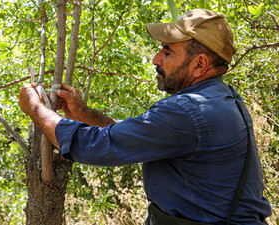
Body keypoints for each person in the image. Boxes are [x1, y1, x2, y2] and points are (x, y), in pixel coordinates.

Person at [18, 9, 272, 224]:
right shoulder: (221, 98)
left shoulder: (189, 111)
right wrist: (84, 114)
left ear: (199, 65)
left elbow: (95, 147)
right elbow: (134, 136)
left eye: (167, 51)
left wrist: (37, 109)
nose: (155, 59)